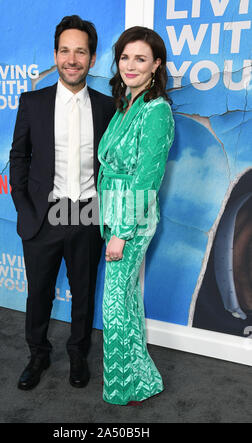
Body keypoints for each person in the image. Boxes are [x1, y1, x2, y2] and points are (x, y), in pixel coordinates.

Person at [9, 15, 115, 391]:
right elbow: (18, 155)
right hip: (44, 214)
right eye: (65, 50)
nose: (72, 59)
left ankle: (77, 354)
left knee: (83, 293)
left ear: (92, 57)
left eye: (80, 51)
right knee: (38, 292)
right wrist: (24, 205)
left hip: (87, 213)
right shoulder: (32, 102)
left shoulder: (107, 107)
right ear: (55, 55)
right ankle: (37, 353)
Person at [97, 26, 175, 405]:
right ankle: (139, 380)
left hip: (132, 219)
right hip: (111, 213)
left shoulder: (156, 111)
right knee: (125, 302)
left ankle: (124, 385)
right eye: (125, 57)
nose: (130, 65)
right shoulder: (126, 102)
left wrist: (122, 232)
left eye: (140, 58)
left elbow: (147, 180)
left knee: (114, 305)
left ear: (156, 64)